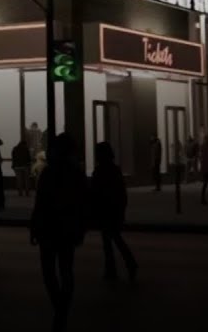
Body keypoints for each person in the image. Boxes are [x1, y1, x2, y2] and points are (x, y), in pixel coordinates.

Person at [31, 134, 88, 332]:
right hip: (67, 228)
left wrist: (34, 226)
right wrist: (81, 227)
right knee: (66, 269)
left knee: (49, 271)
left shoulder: (48, 172)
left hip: (48, 228)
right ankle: (62, 309)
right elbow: (83, 204)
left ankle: (59, 308)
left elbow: (40, 203)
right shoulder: (76, 173)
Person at [91, 141, 137, 281]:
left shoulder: (99, 171)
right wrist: (122, 209)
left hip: (105, 211)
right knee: (115, 238)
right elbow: (122, 193)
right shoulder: (115, 170)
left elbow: (94, 193)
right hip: (114, 210)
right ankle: (123, 266)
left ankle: (115, 269)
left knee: (110, 241)